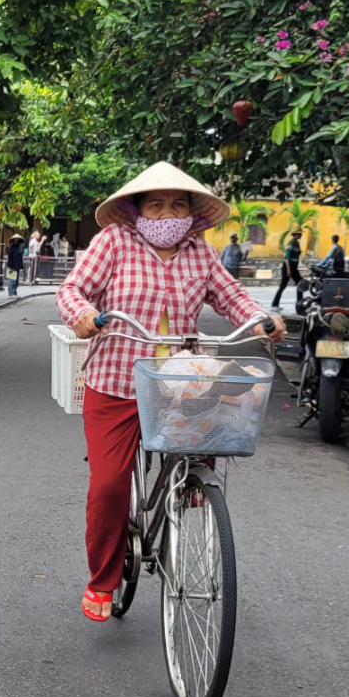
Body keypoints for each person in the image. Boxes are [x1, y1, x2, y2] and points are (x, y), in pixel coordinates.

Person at [56, 161, 285, 623]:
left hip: (181, 379)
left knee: (210, 433)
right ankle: (102, 580)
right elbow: (73, 289)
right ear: (137, 211)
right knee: (109, 484)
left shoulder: (200, 252)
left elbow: (232, 297)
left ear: (191, 212)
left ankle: (191, 483)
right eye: (156, 205)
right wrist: (81, 313)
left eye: (177, 204)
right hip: (116, 379)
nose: (167, 213)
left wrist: (263, 319)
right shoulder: (114, 242)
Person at [271, 227, 303, 308]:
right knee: (283, 285)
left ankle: (300, 304)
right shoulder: (290, 244)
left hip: (294, 267)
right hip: (287, 266)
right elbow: (287, 258)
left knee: (300, 283)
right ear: (295, 235)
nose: (300, 235)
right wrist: (288, 270)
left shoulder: (297, 243)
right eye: (299, 234)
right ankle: (275, 304)